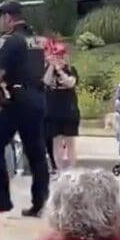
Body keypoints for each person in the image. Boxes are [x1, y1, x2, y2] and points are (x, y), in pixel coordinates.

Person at [0, 0, 52, 217]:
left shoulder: (9, 41)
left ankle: (2, 199)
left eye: (0, 18)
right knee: (36, 152)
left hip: (16, 101)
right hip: (38, 98)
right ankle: (39, 202)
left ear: (7, 17)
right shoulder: (36, 40)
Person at [44, 40, 80, 171]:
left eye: (60, 56)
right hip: (53, 110)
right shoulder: (48, 69)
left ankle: (71, 169)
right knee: (56, 142)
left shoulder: (71, 70)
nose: (58, 59)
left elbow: (70, 83)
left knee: (70, 142)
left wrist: (60, 70)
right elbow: (46, 81)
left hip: (69, 110)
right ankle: (59, 169)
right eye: (56, 56)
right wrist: (51, 66)